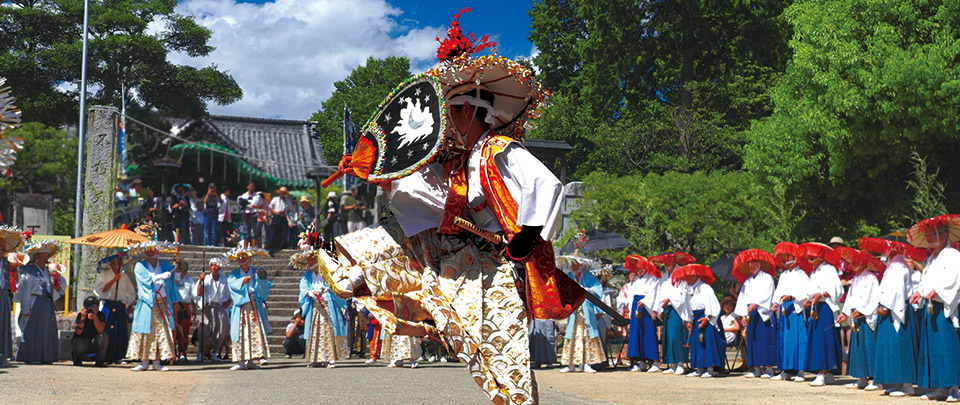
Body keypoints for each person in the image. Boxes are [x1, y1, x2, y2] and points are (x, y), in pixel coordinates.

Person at [909, 217, 960, 401]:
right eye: (928, 236)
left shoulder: (954, 256)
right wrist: (919, 292)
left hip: (943, 304)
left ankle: (953, 387)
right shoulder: (931, 258)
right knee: (933, 346)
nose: (929, 239)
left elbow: (954, 279)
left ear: (944, 235)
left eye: (932, 235)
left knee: (947, 345)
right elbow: (925, 280)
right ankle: (939, 387)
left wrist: (936, 291)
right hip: (931, 305)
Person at [868, 239, 919, 397]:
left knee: (900, 346)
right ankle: (896, 382)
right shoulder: (893, 265)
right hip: (889, 307)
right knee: (890, 347)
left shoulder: (899, 266)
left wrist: (885, 306)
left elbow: (897, 290)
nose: (885, 251)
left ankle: (907, 385)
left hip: (895, 308)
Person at [126, 241, 181, 371]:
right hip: (147, 303)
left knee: (160, 332)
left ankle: (157, 362)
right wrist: (161, 276)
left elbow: (175, 279)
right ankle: (144, 361)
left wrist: (177, 270)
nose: (150, 253)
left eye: (152, 250)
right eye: (147, 251)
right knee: (146, 332)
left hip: (162, 302)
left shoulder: (166, 265)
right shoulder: (140, 266)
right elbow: (145, 280)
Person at [293, 248, 349, 368]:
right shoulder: (307, 276)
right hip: (315, 307)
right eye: (309, 260)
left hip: (327, 306)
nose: (311, 262)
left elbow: (336, 285)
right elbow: (303, 289)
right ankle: (315, 358)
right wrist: (310, 293)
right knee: (315, 332)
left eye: (312, 259)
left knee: (328, 330)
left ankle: (329, 358)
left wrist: (327, 290)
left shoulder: (327, 272)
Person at [14, 240, 65, 364]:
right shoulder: (29, 270)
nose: (45, 257)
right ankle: (32, 356)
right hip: (34, 301)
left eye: (46, 255)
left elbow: (58, 285)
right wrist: (26, 308)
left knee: (47, 330)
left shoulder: (49, 271)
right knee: (33, 330)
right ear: (36, 256)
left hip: (47, 302)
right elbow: (25, 289)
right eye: (42, 255)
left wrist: (58, 285)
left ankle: (46, 357)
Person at [799, 242, 843, 387]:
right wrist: (808, 300)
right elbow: (811, 290)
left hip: (825, 307)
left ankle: (823, 372)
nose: (811, 257)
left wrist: (822, 294)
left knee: (824, 339)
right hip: (816, 307)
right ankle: (828, 373)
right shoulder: (814, 271)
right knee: (818, 339)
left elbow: (836, 289)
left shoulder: (829, 269)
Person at [837, 249, 880, 391]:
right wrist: (844, 312)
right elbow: (850, 298)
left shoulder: (871, 278)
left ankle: (875, 379)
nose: (853, 264)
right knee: (857, 347)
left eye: (857, 262)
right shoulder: (856, 279)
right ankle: (861, 377)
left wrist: (861, 310)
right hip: (854, 315)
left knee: (869, 346)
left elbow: (872, 298)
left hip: (864, 316)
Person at [733, 249, 778, 379]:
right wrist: (742, 314)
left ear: (759, 263)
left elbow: (768, 294)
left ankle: (769, 368)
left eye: (753, 263)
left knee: (765, 339)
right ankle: (757, 367)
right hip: (750, 313)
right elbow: (742, 298)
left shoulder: (767, 278)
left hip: (763, 312)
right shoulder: (747, 281)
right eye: (749, 263)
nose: (751, 266)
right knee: (753, 340)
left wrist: (757, 303)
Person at [226, 246, 273, 370]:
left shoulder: (256, 271)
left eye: (244, 257)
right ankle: (240, 361)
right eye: (240, 257)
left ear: (249, 258)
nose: (242, 259)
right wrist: (242, 281)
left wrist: (262, 279)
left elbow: (263, 289)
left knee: (254, 330)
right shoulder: (234, 274)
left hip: (254, 304)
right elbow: (231, 284)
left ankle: (252, 360)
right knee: (240, 331)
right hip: (241, 305)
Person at [769, 242, 810, 382]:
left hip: (796, 308)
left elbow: (806, 292)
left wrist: (792, 297)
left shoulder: (802, 274)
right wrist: (775, 303)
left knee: (799, 339)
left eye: (789, 255)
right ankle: (785, 370)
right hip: (784, 308)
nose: (786, 259)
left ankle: (800, 371)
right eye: (784, 256)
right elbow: (779, 290)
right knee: (785, 340)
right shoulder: (784, 275)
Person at [675, 264, 724, 378]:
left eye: (688, 275)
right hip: (695, 317)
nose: (686, 278)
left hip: (706, 316)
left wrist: (707, 317)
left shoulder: (705, 288)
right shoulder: (688, 289)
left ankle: (710, 368)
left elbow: (712, 305)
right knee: (696, 343)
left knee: (707, 342)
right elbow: (686, 306)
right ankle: (699, 368)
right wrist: (688, 319)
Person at [651, 252, 693, 375]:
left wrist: (669, 299)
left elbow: (683, 292)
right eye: (664, 262)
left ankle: (681, 362)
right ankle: (672, 363)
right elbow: (659, 293)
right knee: (668, 337)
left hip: (677, 308)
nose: (666, 264)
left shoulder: (680, 273)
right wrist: (656, 308)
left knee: (677, 335)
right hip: (666, 309)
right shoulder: (664, 277)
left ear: (674, 261)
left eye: (669, 261)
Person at [560, 259, 604, 373]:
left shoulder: (588, 276)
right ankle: (571, 364)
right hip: (574, 311)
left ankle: (588, 364)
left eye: (577, 265)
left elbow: (597, 289)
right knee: (572, 335)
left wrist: (587, 289)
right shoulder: (569, 276)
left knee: (587, 334)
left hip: (586, 311)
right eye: (573, 265)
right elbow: (563, 290)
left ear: (581, 265)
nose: (575, 267)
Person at [620, 255, 662, 372]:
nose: (639, 270)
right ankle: (639, 361)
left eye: (641, 267)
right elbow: (632, 295)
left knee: (648, 332)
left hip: (646, 306)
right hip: (636, 306)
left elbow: (655, 293)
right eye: (637, 268)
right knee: (636, 333)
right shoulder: (637, 279)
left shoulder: (653, 278)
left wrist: (652, 307)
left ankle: (654, 361)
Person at [93, 255, 137, 364]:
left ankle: (118, 355)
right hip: (107, 305)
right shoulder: (104, 274)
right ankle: (103, 355)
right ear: (112, 262)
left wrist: (127, 302)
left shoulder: (124, 276)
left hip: (119, 305)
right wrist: (114, 280)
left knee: (119, 330)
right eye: (118, 261)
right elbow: (100, 289)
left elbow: (131, 292)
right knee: (106, 329)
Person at [195, 257, 231, 361]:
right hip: (208, 306)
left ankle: (215, 352)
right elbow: (199, 293)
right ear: (209, 267)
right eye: (212, 265)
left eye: (216, 265)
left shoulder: (225, 280)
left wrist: (226, 305)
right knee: (204, 329)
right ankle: (200, 353)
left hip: (219, 306)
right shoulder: (206, 279)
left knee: (219, 329)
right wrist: (201, 280)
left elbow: (229, 296)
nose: (214, 267)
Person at [0, 225, 25, 366]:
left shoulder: (6, 262)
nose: (3, 248)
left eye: (4, 246)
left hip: (4, 295)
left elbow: (15, 279)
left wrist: (15, 267)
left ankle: (3, 355)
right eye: (1, 246)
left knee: (4, 325)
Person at [72, 296, 108, 367]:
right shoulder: (81, 315)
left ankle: (100, 360)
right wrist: (82, 319)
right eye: (91, 307)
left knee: (104, 336)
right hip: (82, 341)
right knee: (77, 343)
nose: (93, 309)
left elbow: (100, 330)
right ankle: (77, 358)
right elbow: (78, 332)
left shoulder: (101, 315)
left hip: (94, 342)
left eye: (95, 307)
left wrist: (95, 319)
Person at [173, 260, 196, 362]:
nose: (181, 273)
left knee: (185, 330)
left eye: (183, 271)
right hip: (174, 305)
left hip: (185, 306)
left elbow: (193, 295)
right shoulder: (172, 279)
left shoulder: (189, 280)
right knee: (174, 330)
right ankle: (172, 351)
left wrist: (194, 309)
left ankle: (182, 352)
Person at [238, 182, 263, 249]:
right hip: (246, 213)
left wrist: (255, 206)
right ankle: (245, 248)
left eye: (253, 186)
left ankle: (253, 247)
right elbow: (240, 205)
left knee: (254, 232)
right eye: (250, 186)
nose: (251, 188)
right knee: (246, 231)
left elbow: (261, 206)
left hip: (254, 214)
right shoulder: (243, 196)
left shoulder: (257, 196)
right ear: (247, 187)